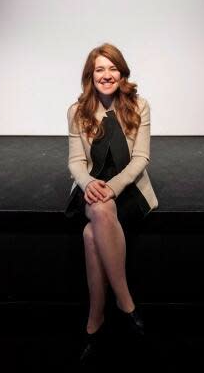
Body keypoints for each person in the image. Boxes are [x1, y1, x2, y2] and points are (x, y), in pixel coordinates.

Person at [64, 43, 159, 365]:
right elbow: (76, 162)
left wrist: (113, 188)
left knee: (91, 235)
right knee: (100, 209)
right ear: (91, 76)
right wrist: (91, 184)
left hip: (128, 188)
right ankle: (126, 304)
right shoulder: (77, 112)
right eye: (100, 69)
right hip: (92, 187)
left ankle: (94, 321)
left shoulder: (139, 106)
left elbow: (141, 159)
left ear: (122, 72)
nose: (107, 75)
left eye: (112, 68)